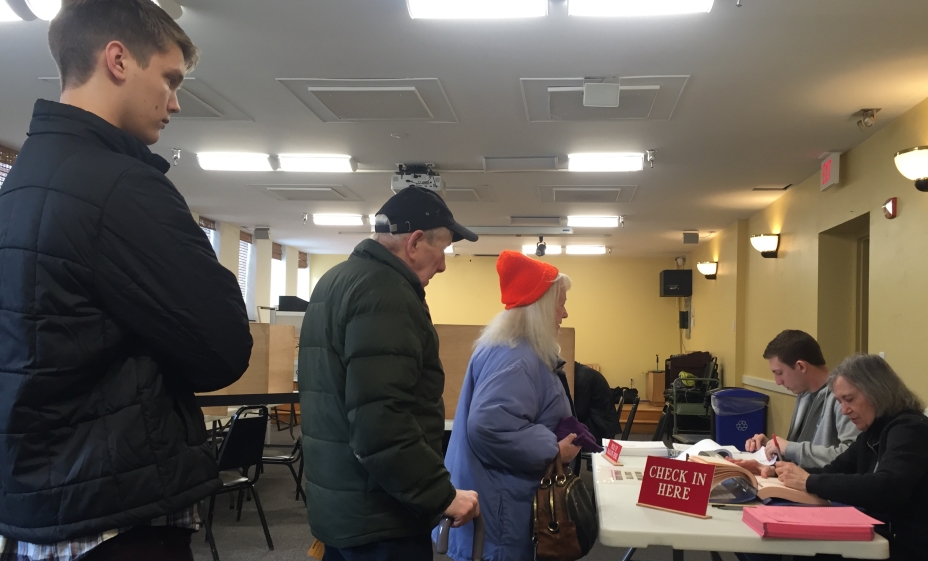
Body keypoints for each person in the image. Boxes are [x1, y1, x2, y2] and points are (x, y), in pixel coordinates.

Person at [0, 1, 253, 560]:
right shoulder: (122, 188)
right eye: (168, 78)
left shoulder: (19, 187)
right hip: (116, 514)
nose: (176, 100)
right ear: (117, 59)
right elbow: (225, 348)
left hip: (38, 517)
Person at [298, 186, 481, 561]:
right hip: (380, 517)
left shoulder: (335, 280)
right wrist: (441, 495)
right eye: (442, 249)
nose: (444, 264)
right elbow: (381, 422)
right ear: (414, 243)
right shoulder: (387, 294)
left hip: (342, 505)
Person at [440, 251, 598, 561]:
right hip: (501, 512)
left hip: (496, 502)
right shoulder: (517, 357)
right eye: (560, 303)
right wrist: (553, 448)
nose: (564, 313)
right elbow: (489, 427)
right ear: (540, 308)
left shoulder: (510, 348)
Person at [752, 355, 928, 561]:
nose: (844, 410)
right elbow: (837, 469)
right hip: (896, 539)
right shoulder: (875, 431)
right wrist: (782, 471)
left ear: (877, 391)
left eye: (849, 399)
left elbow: (887, 487)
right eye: (840, 401)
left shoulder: (911, 429)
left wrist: (807, 481)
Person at [742, 330, 860, 472]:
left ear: (801, 366)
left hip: (824, 488)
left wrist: (790, 448)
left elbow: (853, 456)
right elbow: (798, 455)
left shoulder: (843, 397)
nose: (778, 382)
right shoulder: (803, 395)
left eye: (779, 373)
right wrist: (772, 448)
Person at [574, 361, 622, 441]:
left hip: (599, 428)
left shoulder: (583, 377)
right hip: (602, 423)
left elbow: (580, 413)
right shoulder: (584, 372)